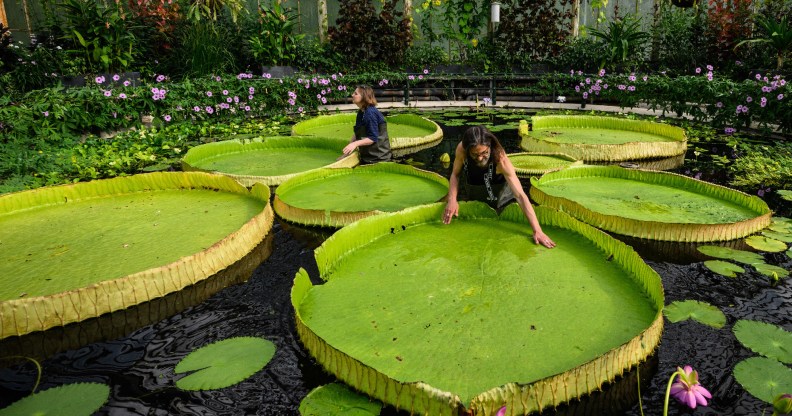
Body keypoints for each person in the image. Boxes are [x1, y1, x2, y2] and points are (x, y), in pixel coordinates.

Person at [443, 125, 556, 248]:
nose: (480, 158)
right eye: (475, 154)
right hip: (475, 194)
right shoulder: (462, 149)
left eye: (484, 152)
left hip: (501, 196)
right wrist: (452, 200)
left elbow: (520, 195)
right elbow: (455, 174)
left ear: (490, 145)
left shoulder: (501, 160)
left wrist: (537, 230)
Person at [341, 85, 392, 163]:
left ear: (364, 97)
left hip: (380, 159)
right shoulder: (361, 112)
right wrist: (346, 153)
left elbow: (373, 138)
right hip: (367, 158)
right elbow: (357, 133)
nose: (352, 95)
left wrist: (355, 144)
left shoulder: (370, 113)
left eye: (356, 93)